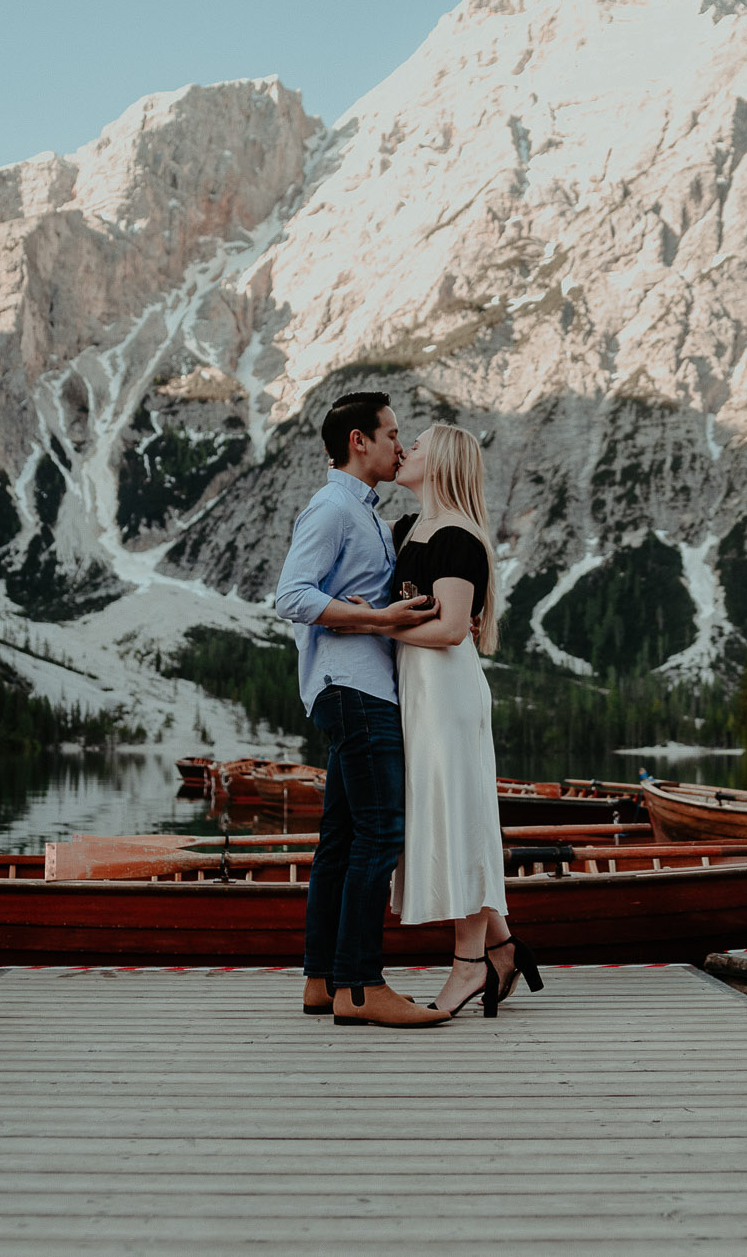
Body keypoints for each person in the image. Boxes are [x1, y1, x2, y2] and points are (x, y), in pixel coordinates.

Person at [272, 392, 449, 1028]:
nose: (400, 445)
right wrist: (376, 619)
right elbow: (290, 596)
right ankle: (361, 984)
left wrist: (383, 612)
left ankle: (322, 980)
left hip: (355, 687)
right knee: (380, 834)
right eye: (392, 434)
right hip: (355, 690)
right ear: (359, 441)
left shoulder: (365, 511)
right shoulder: (334, 507)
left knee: (342, 841)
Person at [386, 424, 542, 1015]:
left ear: (443, 461)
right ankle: (502, 947)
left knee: (459, 818)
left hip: (447, 692)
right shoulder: (407, 529)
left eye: (417, 445)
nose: (405, 450)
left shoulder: (458, 537)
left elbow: (453, 629)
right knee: (448, 816)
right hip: (418, 690)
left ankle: (469, 964)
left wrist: (376, 625)